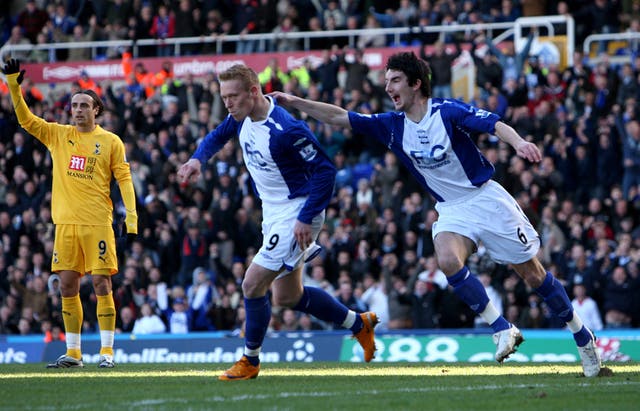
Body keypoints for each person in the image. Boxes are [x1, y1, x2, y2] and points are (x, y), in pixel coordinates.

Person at [271, 51, 604, 378]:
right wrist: (295, 102)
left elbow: (494, 124)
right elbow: (340, 117)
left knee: (533, 276)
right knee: (447, 259)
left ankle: (582, 336)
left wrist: (518, 143)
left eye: (395, 80)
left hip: (486, 200)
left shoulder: (446, 112)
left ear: (416, 84)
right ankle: (502, 328)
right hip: (451, 209)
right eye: (386, 81)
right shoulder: (392, 126)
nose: (388, 88)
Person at [177, 64, 378, 381]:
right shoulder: (242, 116)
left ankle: (250, 361)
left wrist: (305, 217)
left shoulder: (287, 129)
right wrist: (197, 159)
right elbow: (219, 135)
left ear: (253, 92)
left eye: (232, 97)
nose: (227, 104)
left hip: (297, 210)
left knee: (251, 284)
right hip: (272, 212)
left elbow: (325, 171)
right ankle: (358, 324)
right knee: (288, 297)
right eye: (223, 97)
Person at [2, 59, 138, 369]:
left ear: (96, 110)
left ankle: (107, 353)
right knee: (66, 285)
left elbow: (125, 179)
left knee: (102, 284)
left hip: (98, 223)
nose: (76, 110)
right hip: (65, 225)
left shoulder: (110, 142)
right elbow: (25, 120)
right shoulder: (58, 136)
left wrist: (131, 217)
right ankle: (74, 353)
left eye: (83, 105)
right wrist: (13, 84)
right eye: (74, 105)